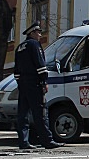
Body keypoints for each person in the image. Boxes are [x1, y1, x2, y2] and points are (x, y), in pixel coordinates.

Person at [14, 21, 61, 150]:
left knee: (23, 114)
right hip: (34, 83)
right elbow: (40, 65)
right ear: (32, 33)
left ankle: (23, 142)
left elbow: (16, 69)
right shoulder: (34, 45)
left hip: (23, 84)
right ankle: (47, 140)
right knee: (40, 113)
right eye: (38, 32)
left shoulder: (20, 47)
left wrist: (20, 83)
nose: (40, 35)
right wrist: (44, 81)